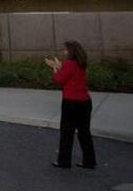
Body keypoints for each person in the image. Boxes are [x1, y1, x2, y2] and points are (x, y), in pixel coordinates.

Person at [46, 40, 96, 169]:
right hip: (85, 102)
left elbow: (59, 80)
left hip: (71, 102)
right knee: (84, 132)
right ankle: (89, 160)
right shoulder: (82, 64)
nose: (64, 51)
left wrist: (55, 68)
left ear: (71, 51)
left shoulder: (70, 64)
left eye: (66, 50)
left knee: (67, 132)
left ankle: (64, 161)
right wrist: (60, 67)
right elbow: (72, 76)